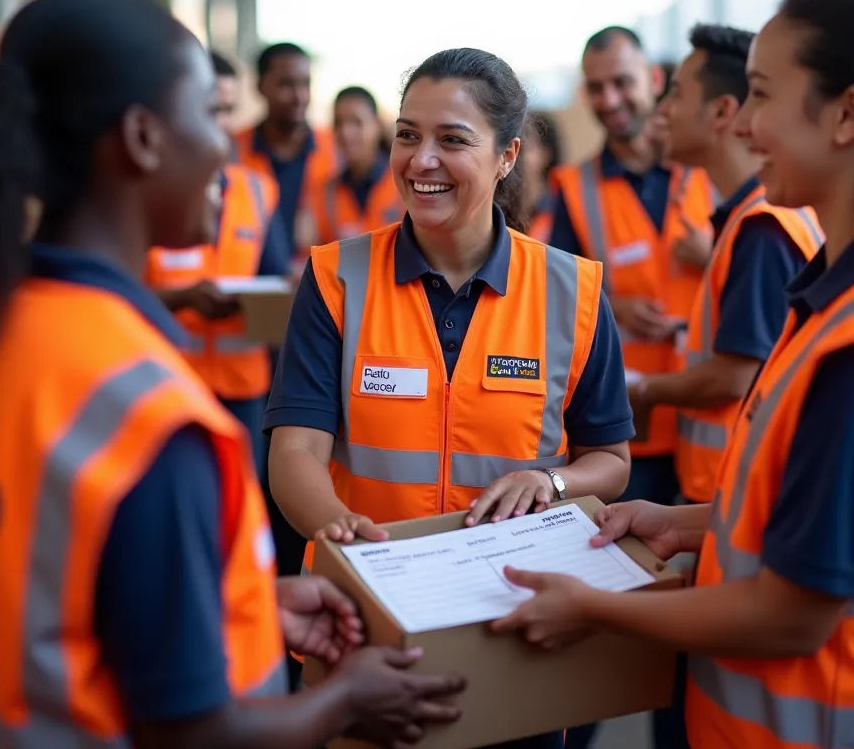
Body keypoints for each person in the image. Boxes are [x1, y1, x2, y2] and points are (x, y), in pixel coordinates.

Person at [0, 0, 465, 749]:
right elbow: (194, 734)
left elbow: (42, 590)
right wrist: (346, 700)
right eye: (209, 112)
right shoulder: (147, 419)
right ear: (141, 138)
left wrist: (241, 605)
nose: (226, 144)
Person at [492, 0, 854, 749]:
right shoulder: (849, 292)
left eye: (762, 96)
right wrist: (692, 525)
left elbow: (791, 613)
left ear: (848, 115)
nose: (746, 124)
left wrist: (594, 608)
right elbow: (818, 522)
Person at [266, 47, 636, 749]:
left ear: (507, 157)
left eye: (452, 140)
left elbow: (610, 460)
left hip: (513, 627)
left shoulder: (573, 291)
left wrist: (550, 479)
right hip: (365, 623)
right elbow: (295, 451)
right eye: (407, 134)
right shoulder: (337, 278)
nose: (420, 159)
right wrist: (342, 531)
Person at [630, 25, 823, 507]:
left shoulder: (760, 228)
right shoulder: (750, 218)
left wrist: (644, 390)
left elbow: (736, 376)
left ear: (721, 111)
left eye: (676, 93)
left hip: (731, 490)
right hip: (721, 492)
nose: (663, 110)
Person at [549, 26, 714, 512]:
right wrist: (613, 303)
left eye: (622, 82)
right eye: (596, 88)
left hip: (714, 412)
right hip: (633, 426)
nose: (611, 99)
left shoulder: (708, 169)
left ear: (654, 78)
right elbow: (557, 294)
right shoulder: (574, 189)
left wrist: (716, 252)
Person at [146, 53, 293, 481]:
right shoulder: (150, 190)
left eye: (228, 111)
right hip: (165, 384)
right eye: (211, 110)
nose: (222, 124)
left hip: (243, 391)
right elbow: (115, 294)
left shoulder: (258, 190)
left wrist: (286, 289)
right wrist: (184, 298)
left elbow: (277, 278)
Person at [232, 42, 339, 260]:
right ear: (260, 86)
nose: (299, 96)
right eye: (286, 85)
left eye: (305, 84)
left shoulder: (335, 149)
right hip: (248, 285)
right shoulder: (233, 150)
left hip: (320, 281)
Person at [311, 85, 404, 245]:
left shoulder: (404, 185)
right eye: (338, 123)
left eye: (357, 122)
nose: (346, 132)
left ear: (376, 125)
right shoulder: (327, 192)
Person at [522, 110, 562, 242]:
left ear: (546, 154)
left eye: (522, 149)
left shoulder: (561, 210)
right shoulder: (496, 213)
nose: (512, 156)